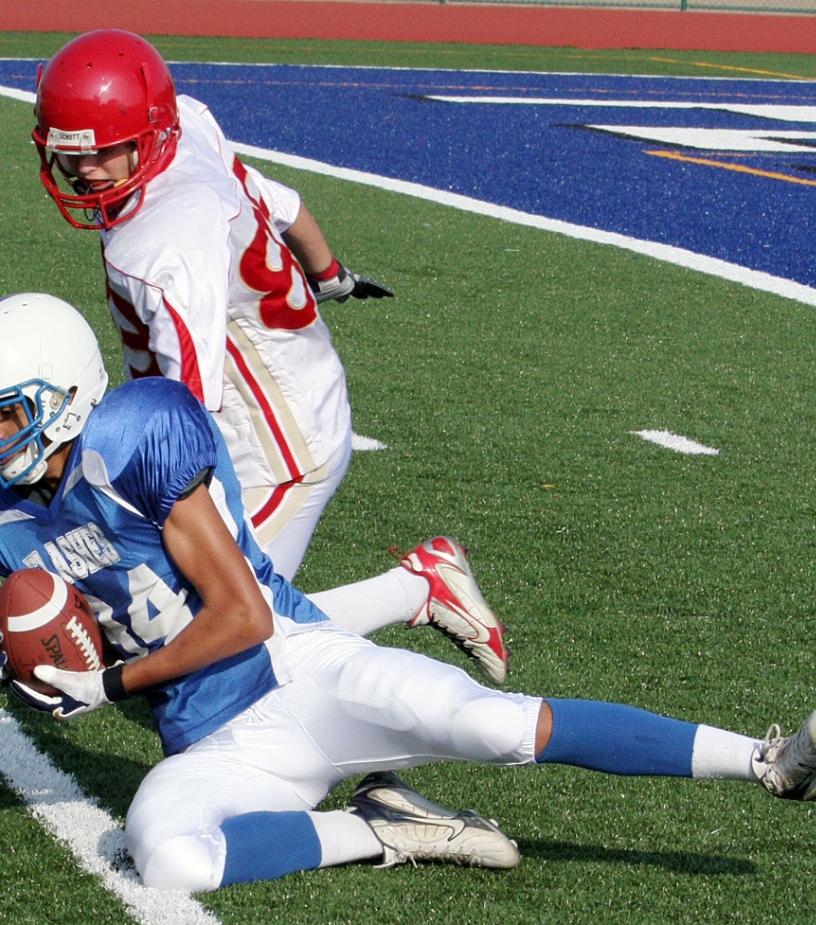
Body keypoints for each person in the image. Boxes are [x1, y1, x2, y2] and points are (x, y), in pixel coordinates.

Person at [0, 295, 816, 891]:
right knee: (169, 857)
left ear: (65, 393)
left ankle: (769, 762)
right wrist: (25, 645)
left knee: (498, 726)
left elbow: (242, 616)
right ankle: (381, 829)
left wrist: (104, 687)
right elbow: (85, 621)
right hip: (212, 739)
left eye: (4, 413)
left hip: (297, 669)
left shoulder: (135, 435)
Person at [28, 28, 508, 684]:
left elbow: (188, 414)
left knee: (218, 636)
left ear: (145, 133)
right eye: (72, 153)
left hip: (274, 447)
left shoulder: (165, 247)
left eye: (104, 151)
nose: (85, 171)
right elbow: (280, 202)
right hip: (285, 394)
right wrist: (329, 269)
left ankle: (419, 591)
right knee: (198, 624)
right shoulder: (185, 125)